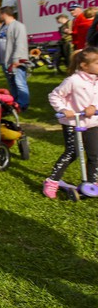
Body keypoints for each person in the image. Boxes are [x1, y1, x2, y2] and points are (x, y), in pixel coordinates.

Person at [44, 47, 98, 198]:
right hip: (72, 122)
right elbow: (54, 95)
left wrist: (94, 106)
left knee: (94, 154)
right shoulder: (73, 81)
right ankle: (52, 181)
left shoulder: (97, 81)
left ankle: (92, 184)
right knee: (72, 152)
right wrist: (63, 109)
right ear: (84, 65)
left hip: (92, 122)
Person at [0, 6, 30, 111]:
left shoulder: (18, 26)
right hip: (5, 61)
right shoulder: (2, 27)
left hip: (16, 61)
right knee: (11, 83)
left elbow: (20, 43)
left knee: (20, 83)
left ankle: (23, 104)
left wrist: (16, 60)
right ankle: (15, 102)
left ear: (4, 14)